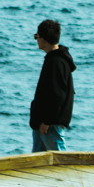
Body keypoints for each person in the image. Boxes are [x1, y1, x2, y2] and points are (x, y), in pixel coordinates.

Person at [29, 18, 75, 153]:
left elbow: (58, 96)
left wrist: (47, 121)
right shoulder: (54, 59)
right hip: (42, 122)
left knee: (60, 159)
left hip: (49, 124)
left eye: (36, 37)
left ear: (43, 39)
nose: (36, 40)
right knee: (37, 164)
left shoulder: (56, 63)